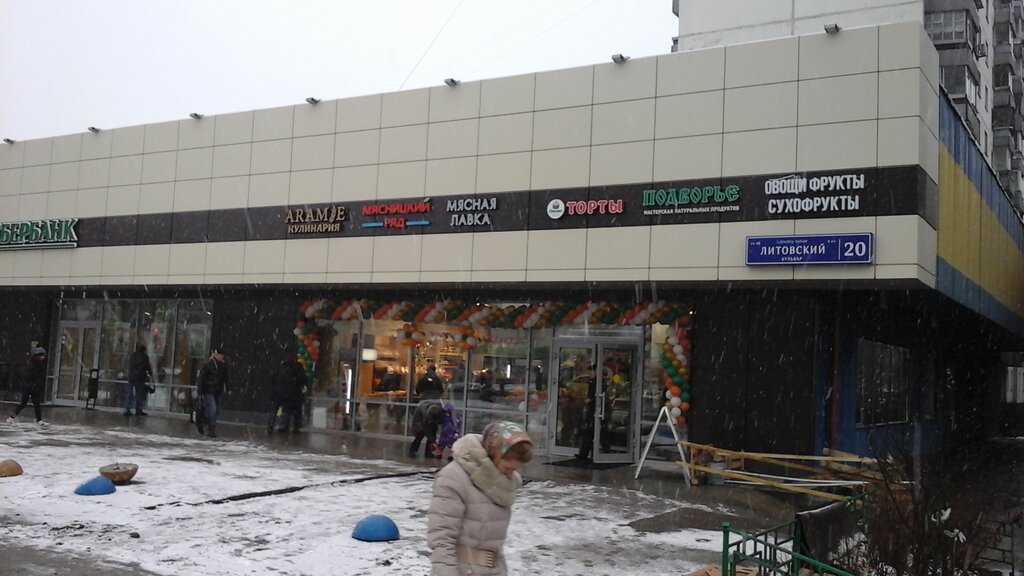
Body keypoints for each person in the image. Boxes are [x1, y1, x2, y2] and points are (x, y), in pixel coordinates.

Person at [427, 421, 533, 576]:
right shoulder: (454, 478)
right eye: (508, 468)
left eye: (515, 470)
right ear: (494, 453)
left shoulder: (501, 484)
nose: (510, 475)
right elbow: (442, 540)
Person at [7, 346, 49, 426]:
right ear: (37, 356)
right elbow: (29, 376)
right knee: (24, 403)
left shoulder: (38, 364)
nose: (43, 357)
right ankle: (11, 417)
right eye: (42, 356)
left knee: (36, 404)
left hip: (33, 387)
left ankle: (39, 420)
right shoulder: (32, 365)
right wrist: (31, 385)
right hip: (29, 387)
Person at [267, 355, 306, 433]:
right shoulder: (297, 368)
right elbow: (303, 379)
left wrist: (277, 386)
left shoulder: (280, 367)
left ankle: (270, 425)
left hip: (277, 393)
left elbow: (272, 378)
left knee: (274, 409)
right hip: (290, 394)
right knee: (286, 410)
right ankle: (284, 427)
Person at [196, 347, 228, 438]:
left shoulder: (222, 366)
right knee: (212, 410)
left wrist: (228, 388)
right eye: (221, 355)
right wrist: (200, 390)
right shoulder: (208, 365)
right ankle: (211, 430)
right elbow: (201, 378)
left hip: (217, 391)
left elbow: (225, 378)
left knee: (215, 411)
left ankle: (206, 424)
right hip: (208, 391)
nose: (222, 357)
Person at [125, 343, 154, 416]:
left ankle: (127, 409)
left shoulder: (133, 356)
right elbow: (147, 367)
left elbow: (130, 366)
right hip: (140, 378)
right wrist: (150, 374)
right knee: (139, 395)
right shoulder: (144, 357)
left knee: (130, 394)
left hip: (132, 378)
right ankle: (138, 409)